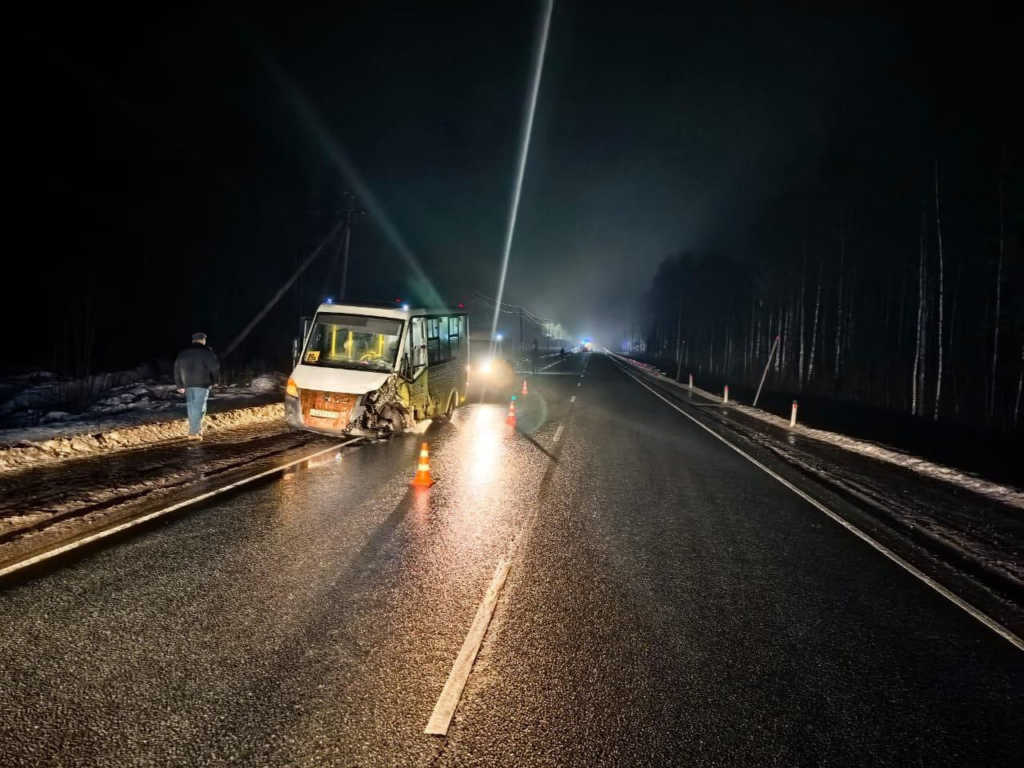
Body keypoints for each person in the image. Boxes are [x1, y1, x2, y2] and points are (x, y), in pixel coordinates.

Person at [174, 332, 220, 440]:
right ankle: (194, 432)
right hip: (202, 383)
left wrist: (179, 384)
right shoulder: (207, 352)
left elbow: (176, 369)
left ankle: (196, 428)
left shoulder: (183, 352)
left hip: (187, 384)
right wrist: (216, 381)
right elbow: (214, 368)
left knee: (192, 407)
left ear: (193, 340)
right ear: (203, 340)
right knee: (199, 407)